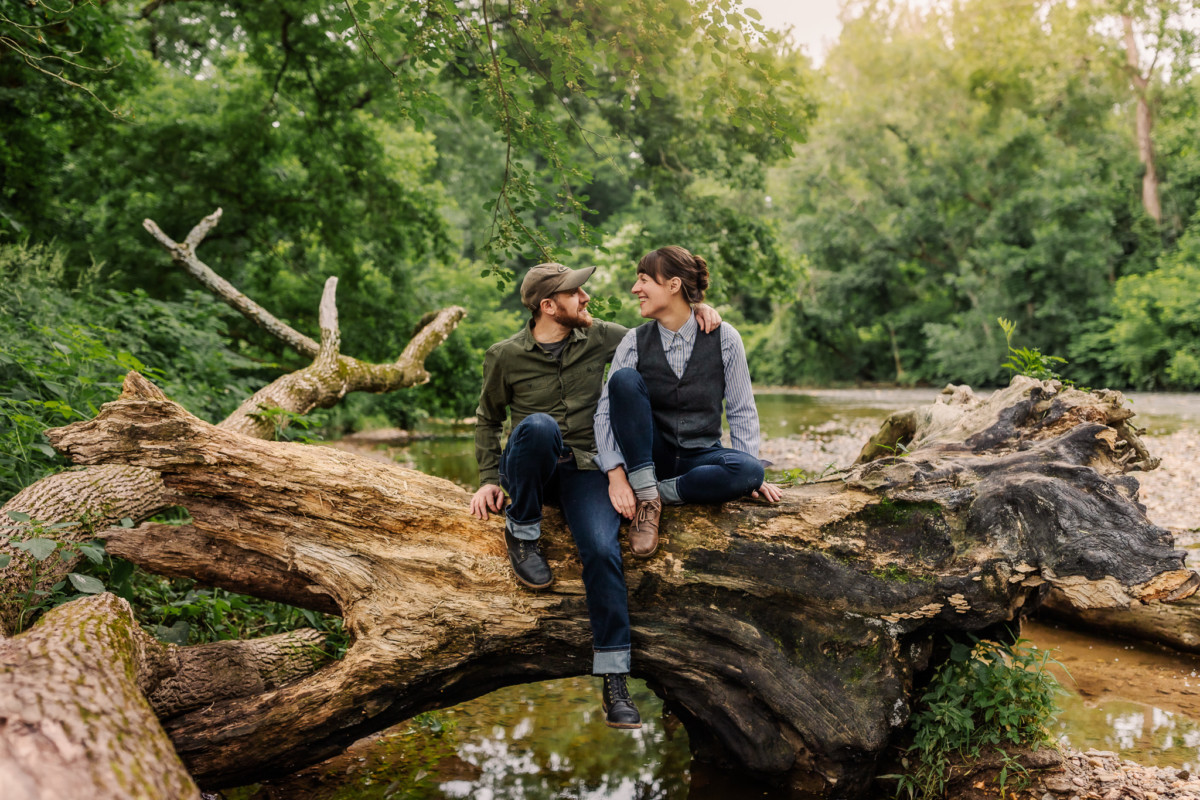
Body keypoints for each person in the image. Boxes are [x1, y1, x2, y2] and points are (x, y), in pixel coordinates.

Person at [469, 262, 721, 729]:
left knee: (604, 552)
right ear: (549, 305)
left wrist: (698, 308)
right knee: (539, 426)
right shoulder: (503, 355)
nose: (586, 299)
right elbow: (487, 419)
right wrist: (487, 478)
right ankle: (522, 533)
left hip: (587, 470)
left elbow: (663, 332)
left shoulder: (606, 337)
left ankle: (614, 679)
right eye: (576, 293)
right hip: (532, 470)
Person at [593, 245, 781, 558]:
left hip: (702, 455)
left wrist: (749, 480)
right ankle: (646, 496)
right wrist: (615, 473)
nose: (635, 288)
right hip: (649, 456)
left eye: (643, 280)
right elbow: (604, 414)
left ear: (673, 285)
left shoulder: (726, 337)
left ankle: (658, 495)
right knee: (622, 382)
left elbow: (741, 410)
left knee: (750, 470)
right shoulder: (634, 341)